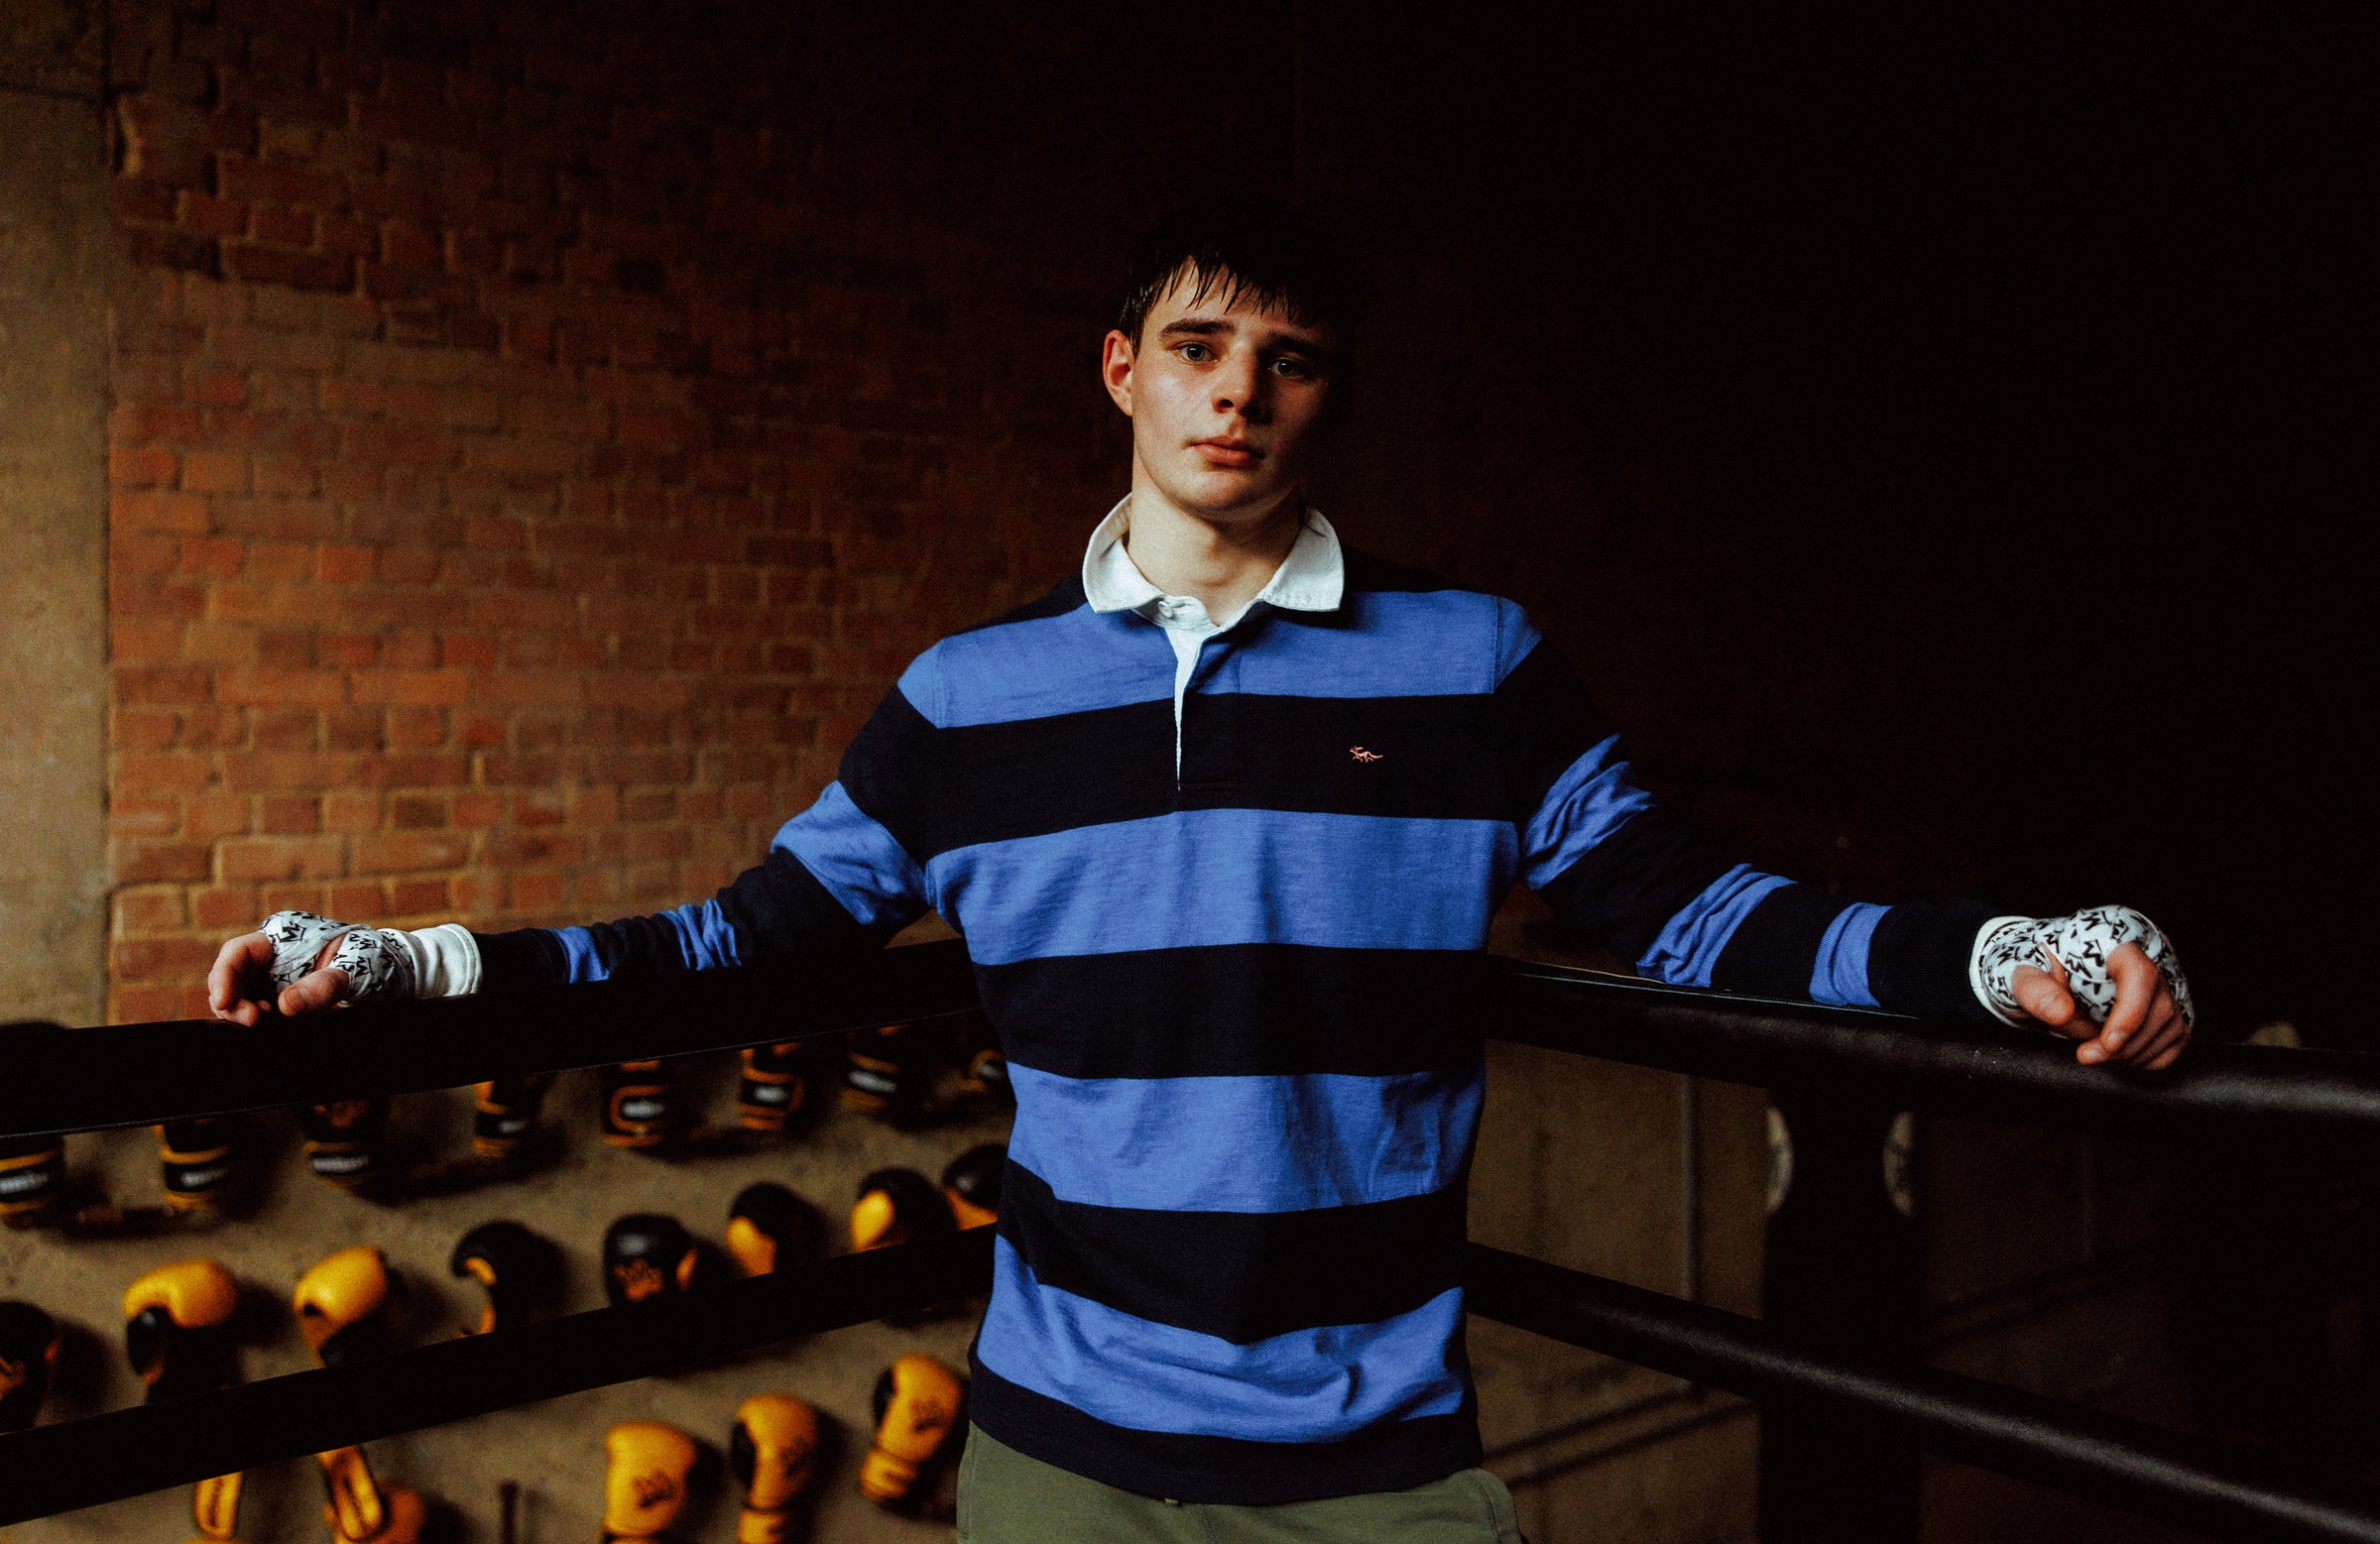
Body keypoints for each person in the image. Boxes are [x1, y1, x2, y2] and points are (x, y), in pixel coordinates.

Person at [208, 198, 2194, 1541]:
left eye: (1291, 358)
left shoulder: (1474, 661)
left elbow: (1696, 910)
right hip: (1060, 1452)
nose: (1240, 389)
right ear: (1123, 371)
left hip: (1378, 1453)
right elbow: (738, 941)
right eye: (1198, 343)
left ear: (1334, 393)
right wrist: (407, 971)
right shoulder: (966, 698)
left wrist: (1994, 950)